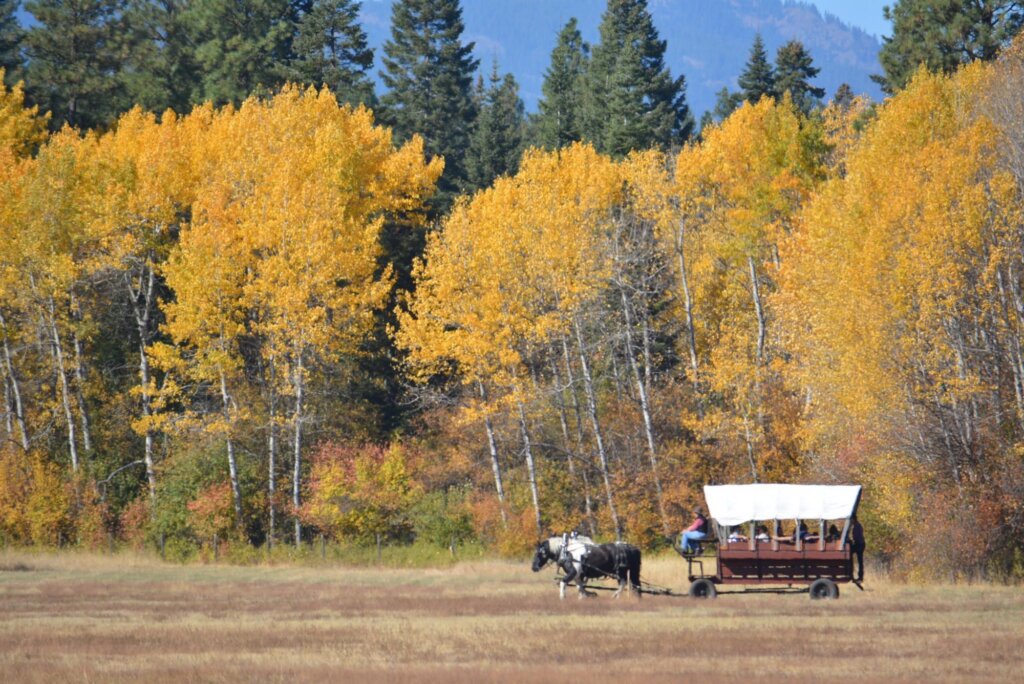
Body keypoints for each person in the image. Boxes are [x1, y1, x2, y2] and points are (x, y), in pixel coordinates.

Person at [850, 514, 865, 581]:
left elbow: (857, 537)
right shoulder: (856, 526)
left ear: (853, 519)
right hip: (858, 543)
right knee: (858, 560)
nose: (851, 521)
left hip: (859, 544)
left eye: (851, 520)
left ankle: (860, 577)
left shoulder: (857, 526)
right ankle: (854, 574)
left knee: (860, 561)